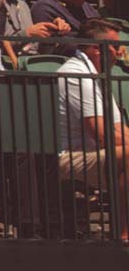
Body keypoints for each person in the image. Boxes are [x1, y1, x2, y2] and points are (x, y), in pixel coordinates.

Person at [53, 18, 129, 197]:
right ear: (96, 48)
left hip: (94, 153)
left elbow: (119, 128)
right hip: (70, 158)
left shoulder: (96, 75)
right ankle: (123, 225)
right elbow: (102, 135)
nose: (119, 53)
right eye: (115, 47)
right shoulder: (77, 75)